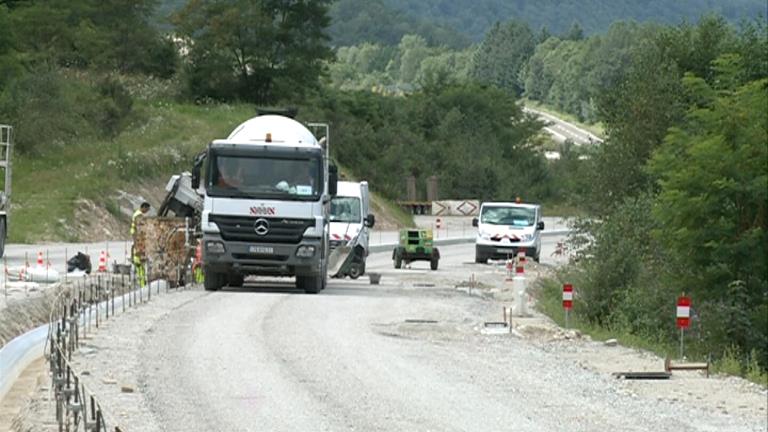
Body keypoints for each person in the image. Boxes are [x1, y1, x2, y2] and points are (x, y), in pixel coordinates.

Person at [131, 202, 150, 287]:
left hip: (137, 239)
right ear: (143, 207)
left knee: (140, 268)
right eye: (147, 209)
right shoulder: (139, 215)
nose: (147, 211)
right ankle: (142, 285)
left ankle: (142, 283)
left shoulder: (136, 214)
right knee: (140, 267)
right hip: (137, 239)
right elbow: (139, 228)